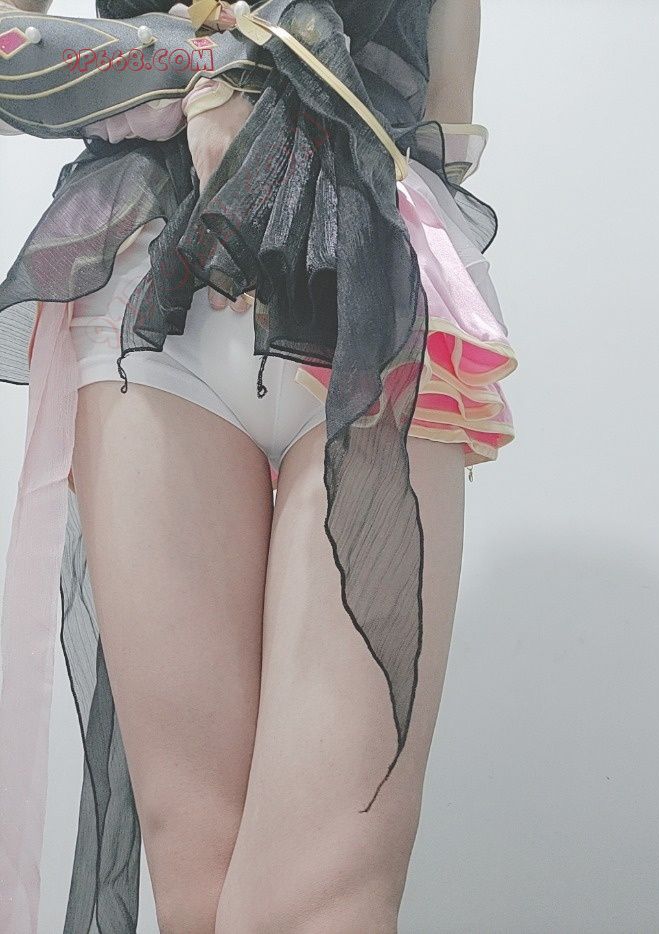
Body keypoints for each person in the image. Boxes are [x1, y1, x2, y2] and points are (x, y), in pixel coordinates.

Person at [0, 0, 517, 930]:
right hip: (153, 294)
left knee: (330, 893)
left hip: (372, 285)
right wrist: (198, 62)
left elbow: (444, 112)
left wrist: (276, 84)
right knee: (199, 883)